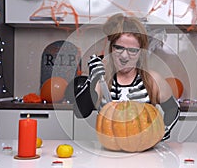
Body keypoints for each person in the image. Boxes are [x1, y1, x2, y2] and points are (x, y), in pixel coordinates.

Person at [74, 13, 180, 141]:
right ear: (111, 48)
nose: (124, 56)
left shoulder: (152, 80)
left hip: (145, 154)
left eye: (132, 50)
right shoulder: (102, 80)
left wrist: (165, 129)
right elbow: (80, 113)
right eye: (119, 48)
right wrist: (92, 79)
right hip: (108, 154)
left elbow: (173, 108)